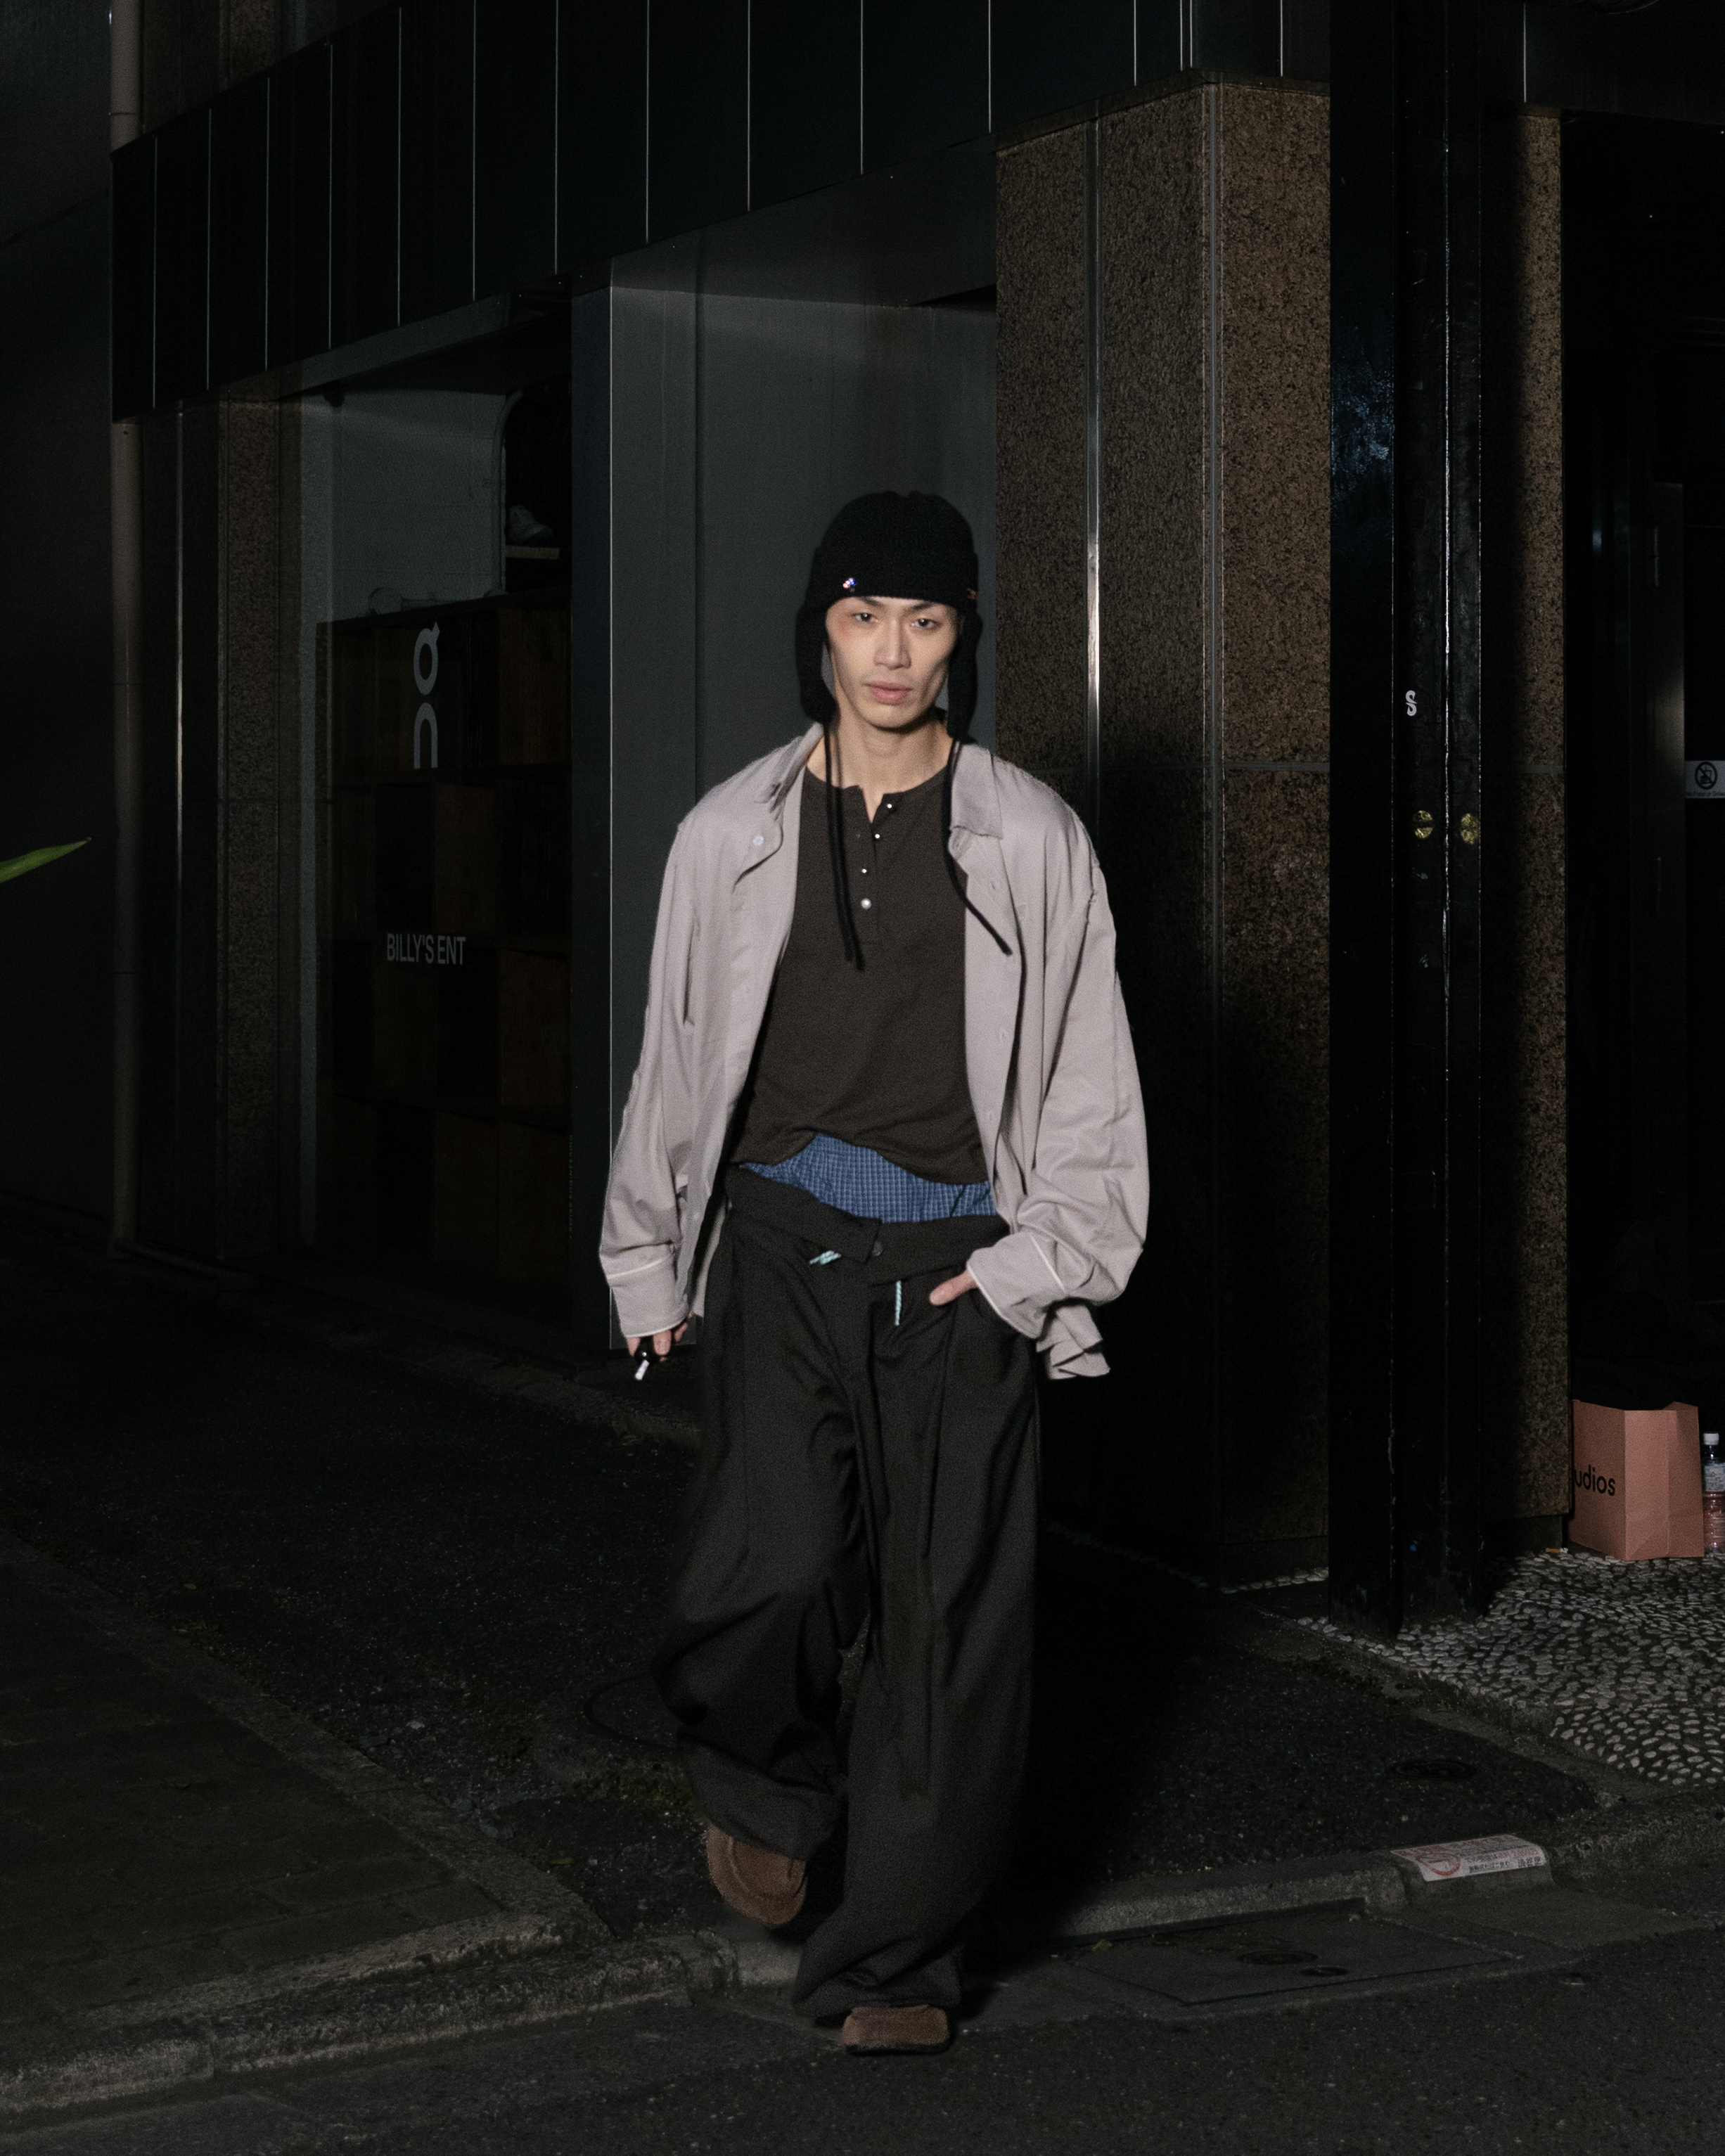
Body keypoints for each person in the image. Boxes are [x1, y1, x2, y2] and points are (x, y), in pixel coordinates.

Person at [600, 492, 1147, 2056]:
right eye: (862, 618)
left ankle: (895, 1962)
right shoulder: (730, 833)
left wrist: (1039, 1266)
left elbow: (1092, 1086)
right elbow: (674, 1062)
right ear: (820, 633)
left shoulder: (1030, 836)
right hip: (779, 1248)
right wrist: (648, 1264)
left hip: (964, 1271)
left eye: (923, 619)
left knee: (944, 1633)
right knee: (765, 1569)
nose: (892, 651)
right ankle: (763, 1778)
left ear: (961, 633)